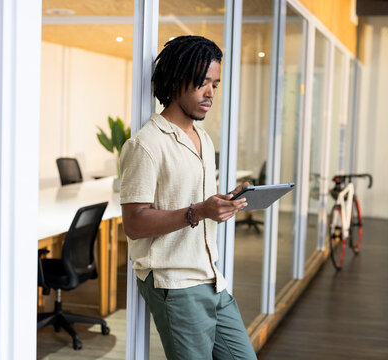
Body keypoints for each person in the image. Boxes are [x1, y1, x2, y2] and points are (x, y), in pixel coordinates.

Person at [119, 35, 257, 360]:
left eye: (215, 84)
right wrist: (199, 211)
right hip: (175, 282)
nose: (210, 93)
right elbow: (134, 222)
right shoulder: (146, 144)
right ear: (176, 79)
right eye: (202, 83)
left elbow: (193, 201)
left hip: (210, 275)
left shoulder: (203, 139)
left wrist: (222, 202)